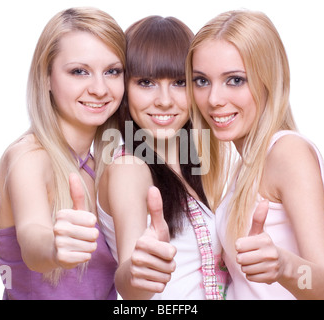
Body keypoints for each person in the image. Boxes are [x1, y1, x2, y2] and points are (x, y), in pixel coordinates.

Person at [186, 10, 324, 299]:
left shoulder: (287, 152)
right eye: (201, 81)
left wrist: (285, 266)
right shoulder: (244, 167)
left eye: (235, 80)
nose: (214, 99)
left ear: (268, 79)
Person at [0, 7, 125, 299]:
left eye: (112, 71)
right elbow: (33, 238)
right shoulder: (28, 157)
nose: (100, 89)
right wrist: (54, 247)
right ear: (47, 78)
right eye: (79, 71)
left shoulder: (100, 167)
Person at [97, 16, 227, 300]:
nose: (165, 100)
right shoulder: (128, 168)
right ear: (124, 89)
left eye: (180, 82)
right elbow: (129, 283)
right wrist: (139, 270)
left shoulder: (200, 162)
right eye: (146, 82)